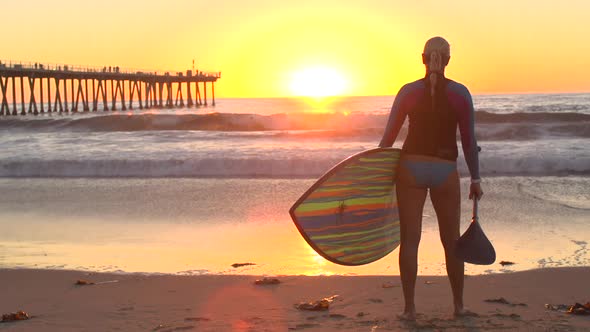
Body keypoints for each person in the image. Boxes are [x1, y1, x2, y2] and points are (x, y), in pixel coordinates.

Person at [379, 36, 483, 320]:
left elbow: (387, 141)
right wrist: (476, 178)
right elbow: (469, 142)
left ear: (422, 58)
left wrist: (371, 177)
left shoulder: (408, 92)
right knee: (451, 241)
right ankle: (459, 306)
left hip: (410, 167)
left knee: (410, 240)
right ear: (448, 60)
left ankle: (409, 309)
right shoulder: (461, 94)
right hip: (445, 170)